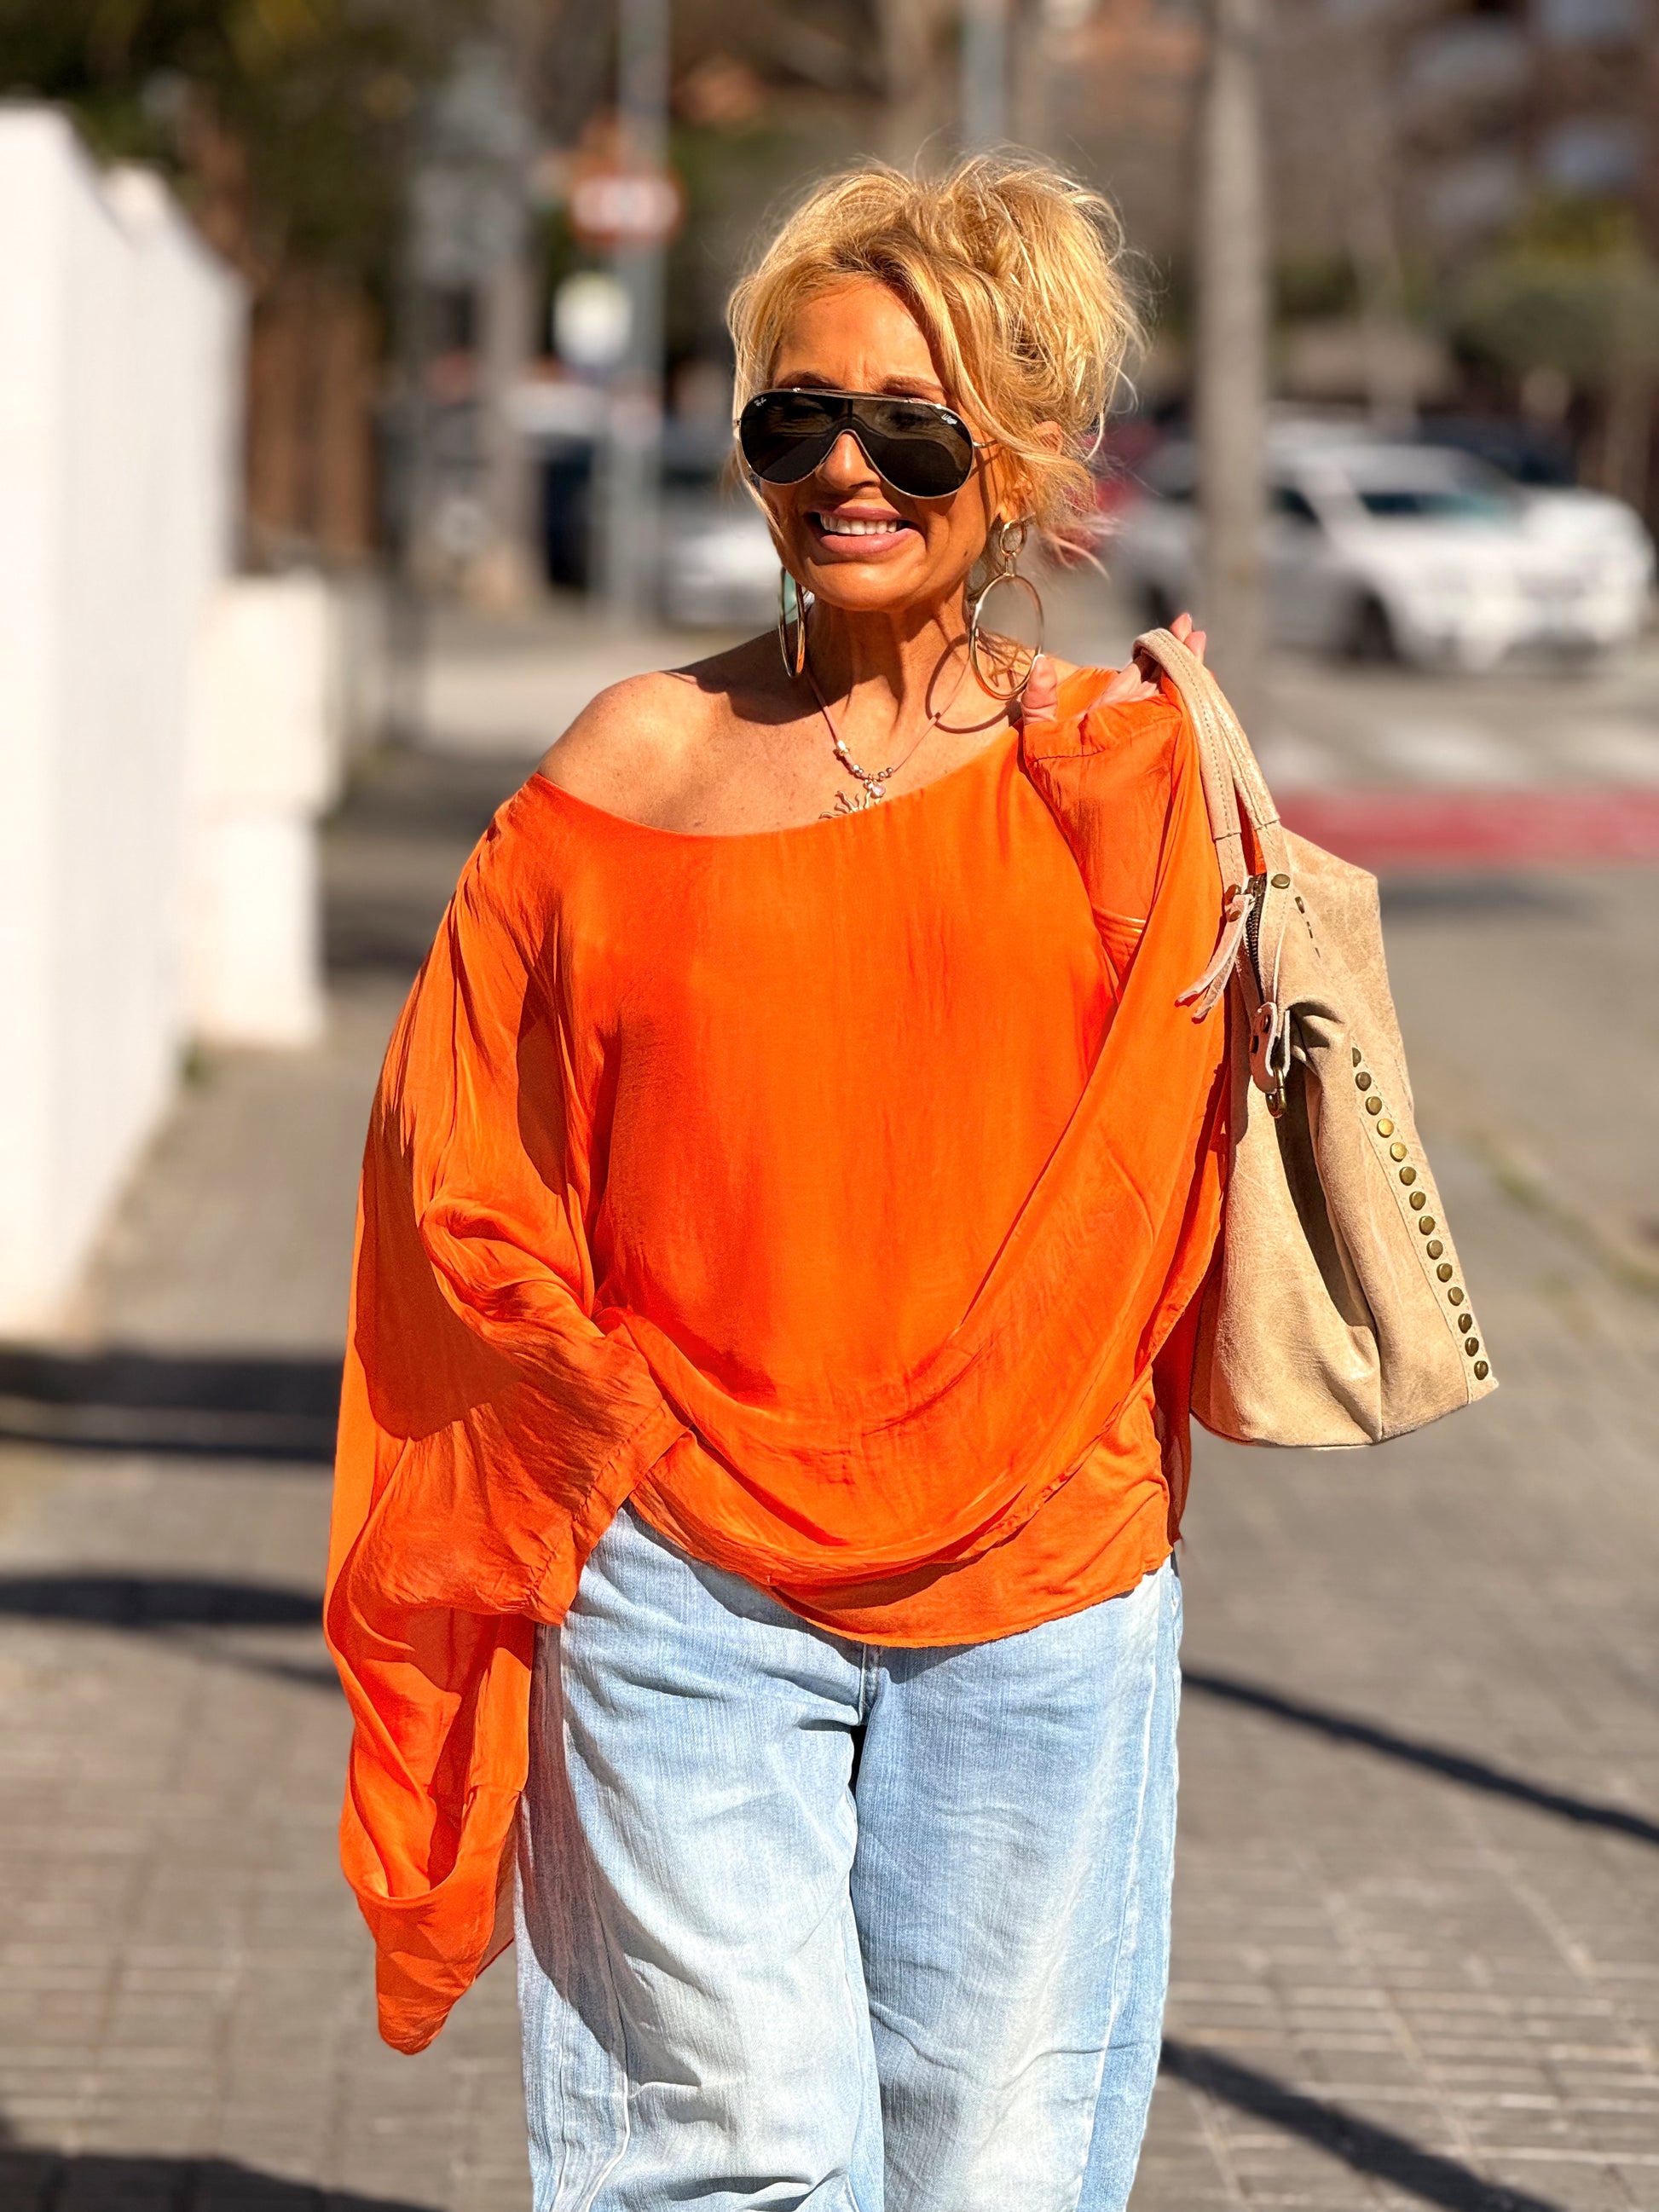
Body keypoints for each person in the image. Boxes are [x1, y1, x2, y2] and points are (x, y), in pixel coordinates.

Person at [326, 153, 1228, 2212]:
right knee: (724, 2161)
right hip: (685, 1575)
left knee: (992, 2166)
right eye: (793, 416)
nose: (844, 469)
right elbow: (451, 1144)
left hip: (1038, 1578)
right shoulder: (629, 764)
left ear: (1019, 458)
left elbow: (1180, 1171)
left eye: (911, 427)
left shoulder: (1116, 769)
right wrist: (595, 1419)